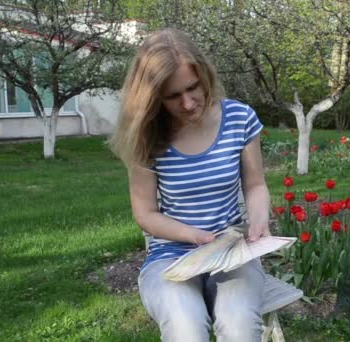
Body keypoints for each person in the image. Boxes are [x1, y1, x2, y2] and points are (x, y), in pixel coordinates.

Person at [109, 28, 271, 342]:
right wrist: (193, 236)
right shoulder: (147, 136)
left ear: (204, 75)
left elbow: (255, 185)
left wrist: (259, 220)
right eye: (172, 96)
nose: (187, 103)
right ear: (153, 97)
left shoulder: (239, 118)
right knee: (186, 328)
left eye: (192, 87)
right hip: (171, 258)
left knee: (239, 326)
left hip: (231, 252)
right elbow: (145, 214)